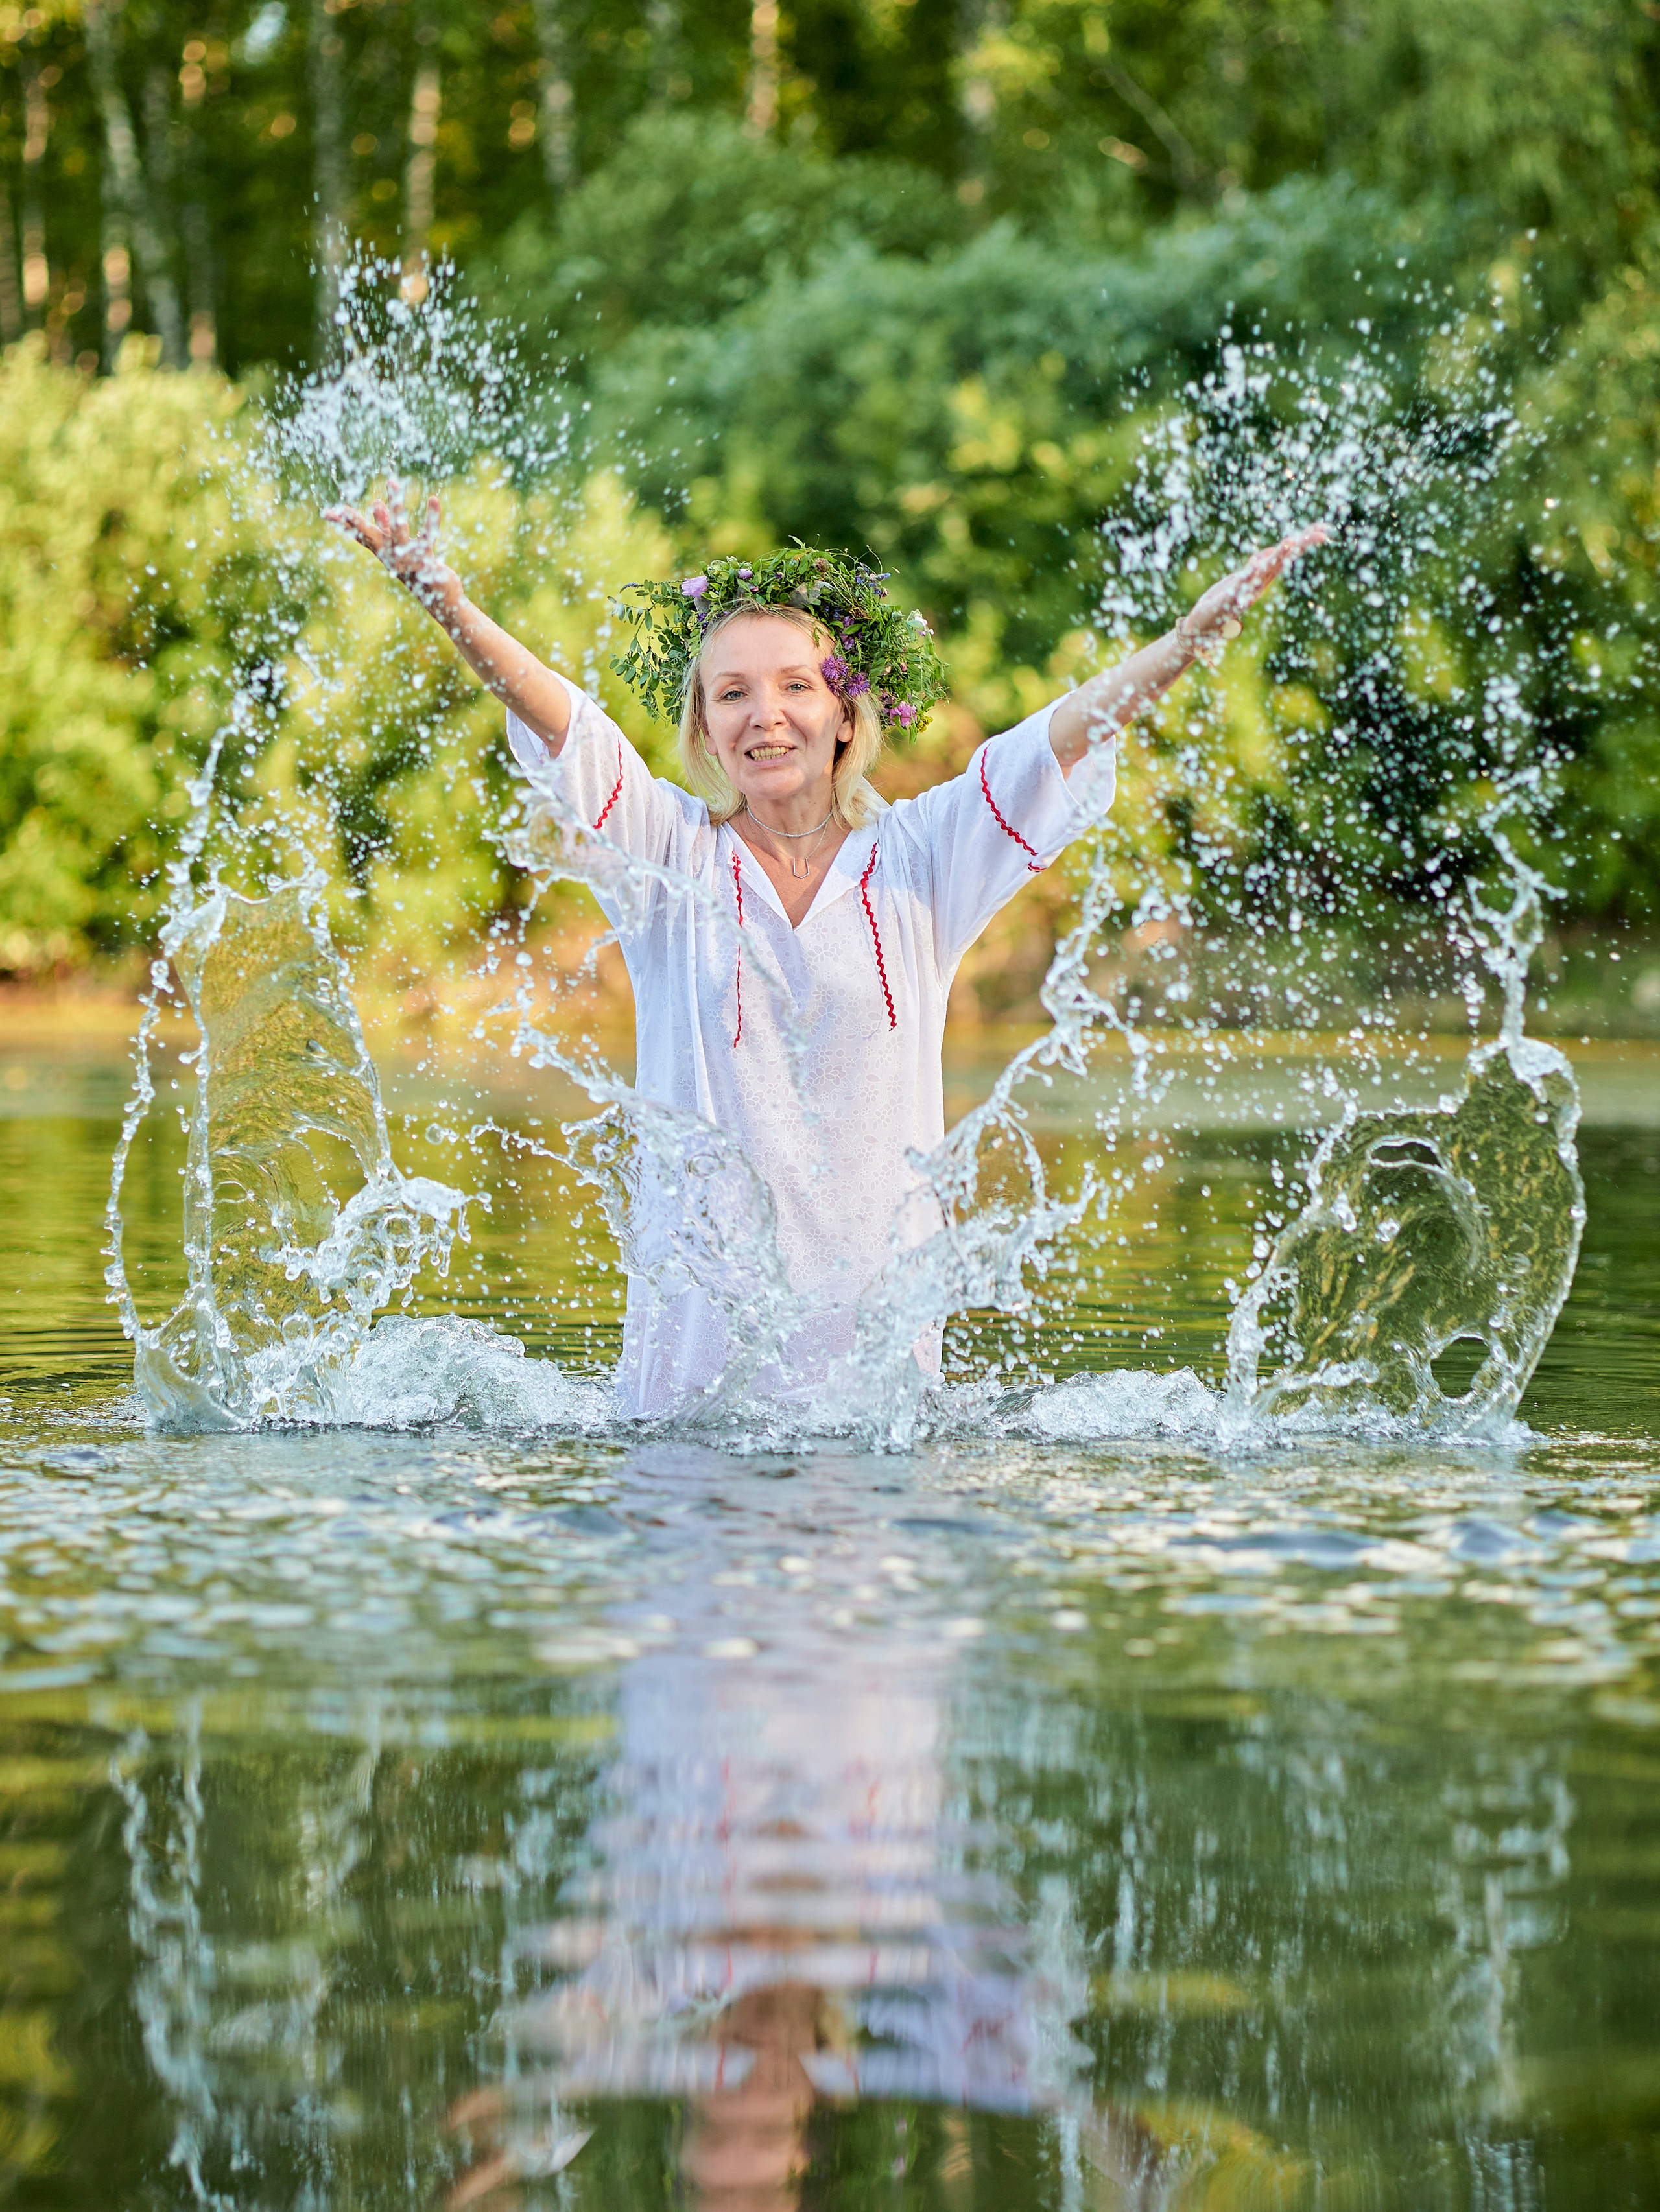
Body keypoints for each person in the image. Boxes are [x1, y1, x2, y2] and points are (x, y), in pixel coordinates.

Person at [327, 488, 1324, 1418]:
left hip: (876, 1414)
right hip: (685, 1411)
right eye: (732, 695)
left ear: (847, 715)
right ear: (707, 734)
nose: (766, 714)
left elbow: (1061, 738)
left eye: (796, 685)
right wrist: (446, 601)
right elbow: (569, 725)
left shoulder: (926, 856)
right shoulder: (669, 857)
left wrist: (1191, 640)